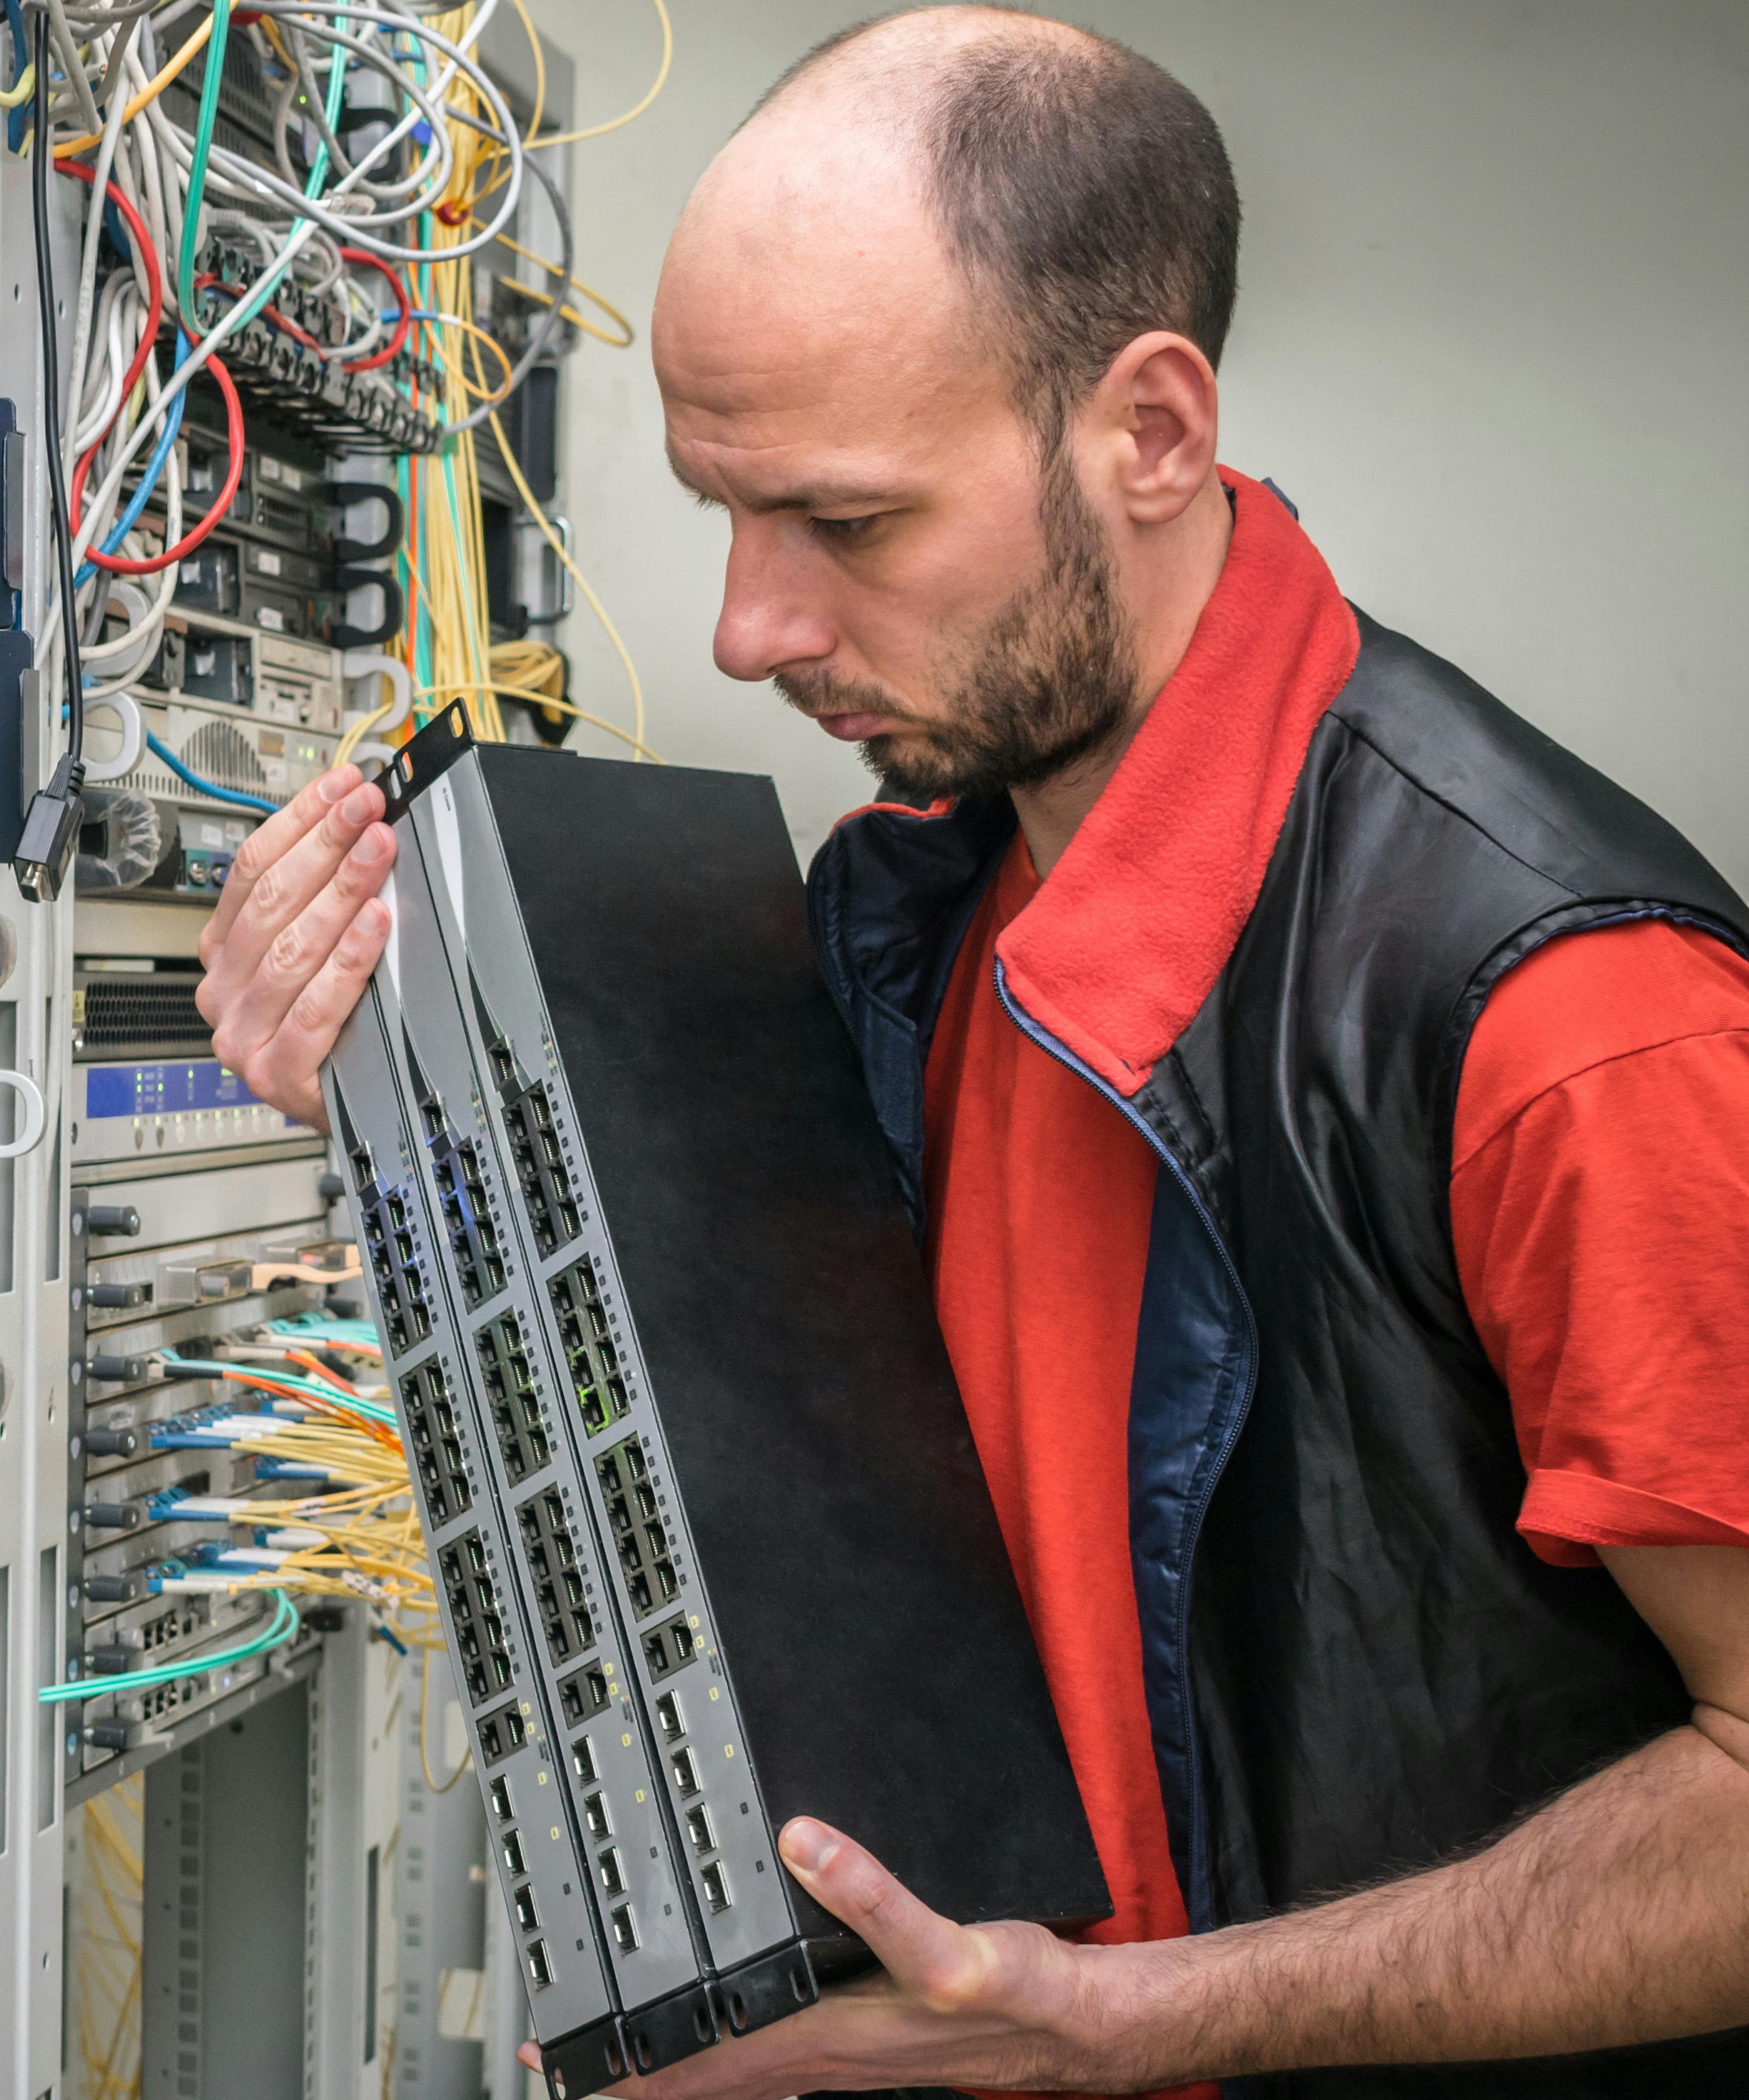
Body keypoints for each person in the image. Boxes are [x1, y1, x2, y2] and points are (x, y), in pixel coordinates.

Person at [190, 9, 1749, 2095]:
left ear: (1153, 433)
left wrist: (1111, 2033)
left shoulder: (1563, 1016)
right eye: (724, 513)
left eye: (846, 523)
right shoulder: (909, 907)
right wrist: (396, 1104)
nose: (749, 628)